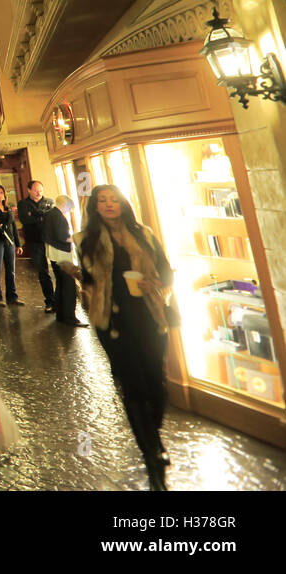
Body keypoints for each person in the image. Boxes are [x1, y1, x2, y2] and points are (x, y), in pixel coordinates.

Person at [74, 185, 178, 490]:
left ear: (123, 204)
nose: (109, 205)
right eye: (102, 201)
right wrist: (79, 278)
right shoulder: (87, 241)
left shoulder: (143, 234)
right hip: (113, 323)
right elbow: (90, 280)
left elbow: (166, 272)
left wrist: (156, 283)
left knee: (157, 385)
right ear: (95, 207)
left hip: (150, 316)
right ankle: (152, 455)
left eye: (114, 200)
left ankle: (152, 433)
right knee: (132, 387)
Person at [17, 180, 57, 313]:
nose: (38, 192)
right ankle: (50, 301)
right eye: (35, 190)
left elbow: (52, 219)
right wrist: (41, 216)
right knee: (43, 271)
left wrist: (35, 215)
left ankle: (60, 300)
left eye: (40, 189)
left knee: (57, 269)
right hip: (34, 241)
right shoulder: (23, 204)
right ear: (29, 190)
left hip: (51, 240)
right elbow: (25, 220)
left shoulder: (49, 202)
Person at [46, 195, 86, 326]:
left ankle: (60, 314)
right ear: (64, 204)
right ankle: (70, 317)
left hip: (54, 255)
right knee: (69, 286)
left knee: (61, 284)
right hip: (62, 255)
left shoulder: (50, 214)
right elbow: (61, 235)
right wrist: (73, 239)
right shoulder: (58, 216)